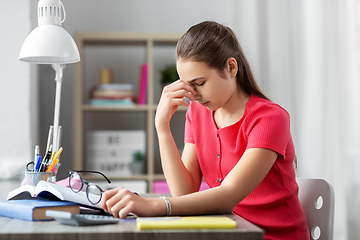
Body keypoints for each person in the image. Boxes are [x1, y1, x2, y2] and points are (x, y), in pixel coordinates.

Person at [101, 21, 309, 240]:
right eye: (188, 86)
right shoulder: (197, 114)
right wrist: (162, 128)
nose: (194, 95)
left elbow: (229, 195)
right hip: (227, 233)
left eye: (199, 83)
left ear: (231, 67)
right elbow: (184, 191)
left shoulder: (270, 118)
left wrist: (153, 205)